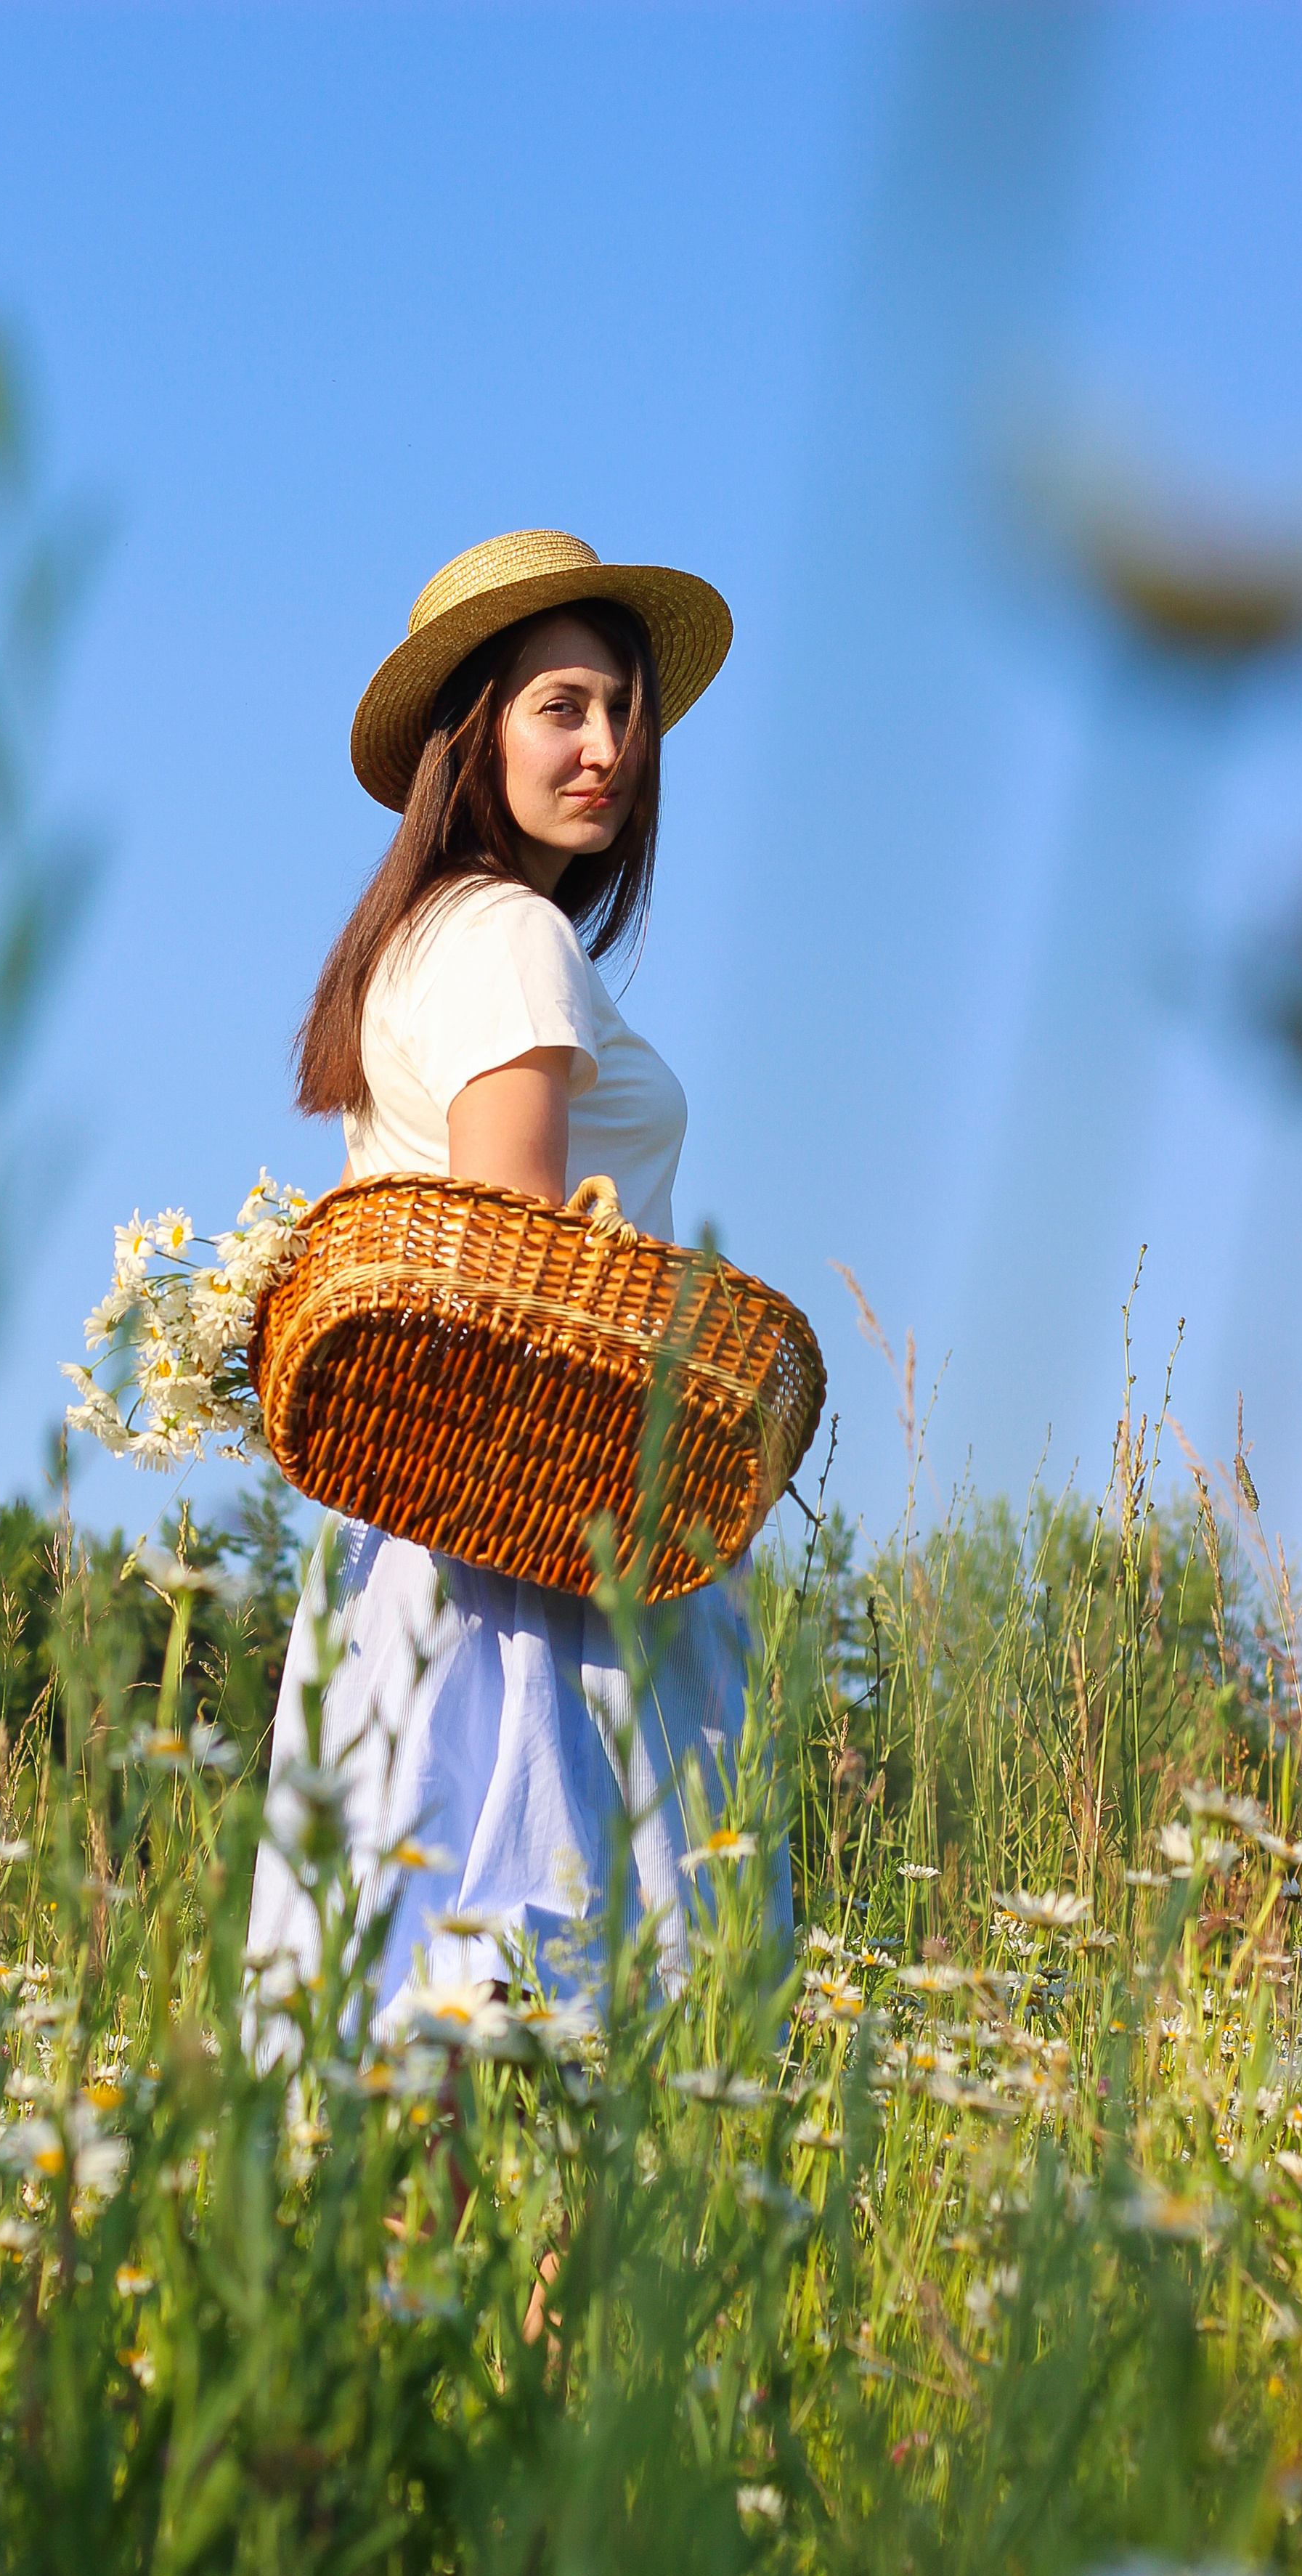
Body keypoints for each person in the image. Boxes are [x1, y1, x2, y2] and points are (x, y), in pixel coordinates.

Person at [245, 529, 789, 2036]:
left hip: (414, 1540)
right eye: (561, 705)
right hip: (540, 1543)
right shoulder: (511, 938)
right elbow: (518, 1282)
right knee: (548, 2001)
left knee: (419, 1992)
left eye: (623, 711)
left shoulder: (422, 935)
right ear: (470, 730)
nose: (606, 746)